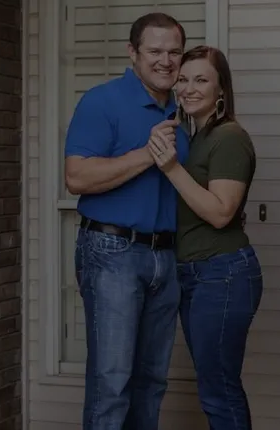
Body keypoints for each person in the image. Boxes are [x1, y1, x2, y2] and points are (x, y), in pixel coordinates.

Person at [63, 12, 189, 430]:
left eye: (174, 52)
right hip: (112, 252)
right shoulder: (102, 101)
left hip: (165, 257)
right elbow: (77, 177)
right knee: (112, 384)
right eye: (155, 51)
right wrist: (148, 154)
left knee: (151, 384)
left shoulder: (182, 110)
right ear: (132, 52)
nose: (165, 61)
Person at [147, 45, 263, 430]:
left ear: (220, 90)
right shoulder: (197, 137)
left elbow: (220, 212)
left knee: (219, 390)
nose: (188, 88)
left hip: (223, 274)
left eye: (201, 80)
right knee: (214, 386)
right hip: (197, 274)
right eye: (183, 79)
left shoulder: (229, 137)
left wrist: (171, 168)